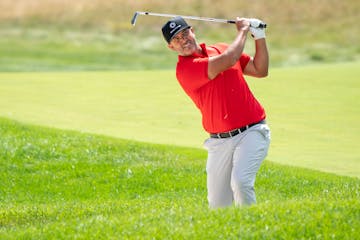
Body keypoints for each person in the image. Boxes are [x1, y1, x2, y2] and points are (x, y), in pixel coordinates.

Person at [161, 16, 271, 209]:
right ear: (171, 47)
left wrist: (259, 36)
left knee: (241, 182)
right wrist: (243, 30)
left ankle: (253, 228)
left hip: (252, 130)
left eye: (185, 33)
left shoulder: (220, 48)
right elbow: (230, 59)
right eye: (176, 39)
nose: (183, 40)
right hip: (219, 142)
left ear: (192, 31)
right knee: (218, 206)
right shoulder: (186, 70)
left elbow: (260, 70)